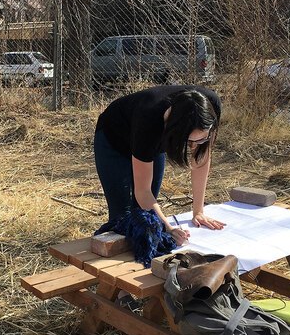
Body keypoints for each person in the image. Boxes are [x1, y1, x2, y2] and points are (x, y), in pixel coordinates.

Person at [94, 84, 226, 248]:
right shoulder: (148, 119)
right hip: (114, 139)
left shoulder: (211, 105)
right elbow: (143, 192)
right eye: (189, 142)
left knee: (146, 216)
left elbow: (200, 159)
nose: (194, 146)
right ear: (173, 130)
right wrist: (168, 228)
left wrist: (198, 211)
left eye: (201, 140)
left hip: (152, 140)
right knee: (123, 218)